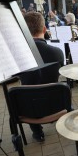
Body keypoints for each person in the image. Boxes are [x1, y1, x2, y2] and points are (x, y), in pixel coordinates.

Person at [24, 12, 64, 142]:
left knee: (28, 94)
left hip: (30, 109)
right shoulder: (57, 52)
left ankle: (37, 133)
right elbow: (61, 72)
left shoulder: (19, 56)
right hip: (55, 105)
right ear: (44, 29)